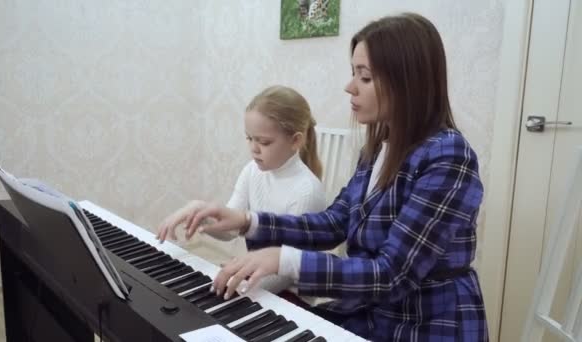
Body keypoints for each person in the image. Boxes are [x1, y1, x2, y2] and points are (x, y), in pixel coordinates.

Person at [178, 13, 488, 341]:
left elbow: (392, 275)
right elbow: (334, 223)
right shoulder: (377, 150)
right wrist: (245, 221)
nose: (349, 86)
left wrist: (283, 260)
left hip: (424, 323)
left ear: (407, 82)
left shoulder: (449, 156)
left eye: (364, 77)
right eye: (353, 73)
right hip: (369, 312)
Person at [156, 85, 327, 293]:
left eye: (264, 142)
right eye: (249, 138)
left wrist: (240, 287)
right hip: (257, 282)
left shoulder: (307, 192)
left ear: (295, 140)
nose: (254, 149)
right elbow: (230, 230)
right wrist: (199, 212)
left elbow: (286, 273)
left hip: (289, 297)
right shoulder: (252, 171)